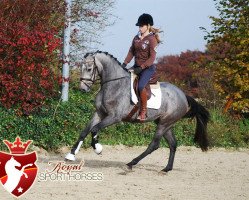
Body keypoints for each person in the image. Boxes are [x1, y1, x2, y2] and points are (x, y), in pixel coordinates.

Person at [122, 13, 161, 121]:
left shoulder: (152, 39)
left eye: (141, 26)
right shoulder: (136, 38)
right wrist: (125, 63)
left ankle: (143, 111)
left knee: (140, 87)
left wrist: (142, 67)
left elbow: (152, 57)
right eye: (139, 26)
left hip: (148, 69)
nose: (139, 28)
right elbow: (131, 51)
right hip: (136, 66)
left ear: (148, 26)